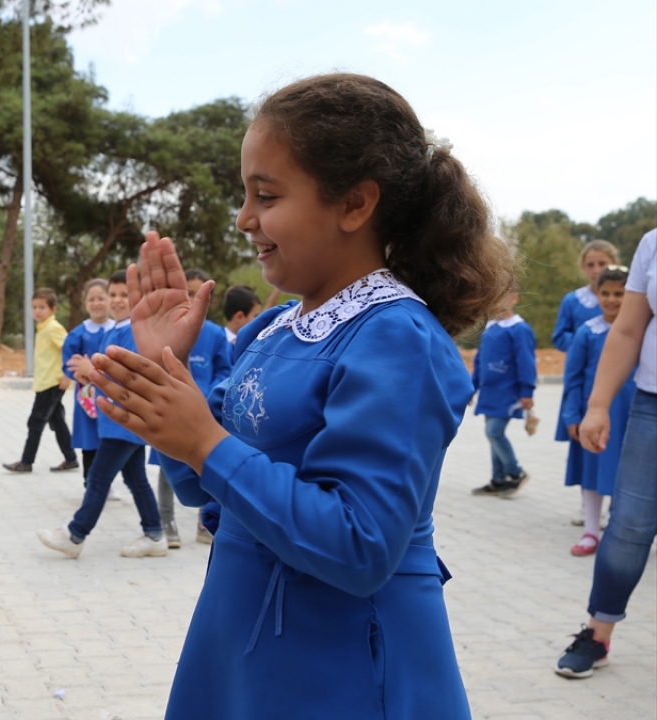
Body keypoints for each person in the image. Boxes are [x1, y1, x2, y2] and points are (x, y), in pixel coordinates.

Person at [87, 73, 513, 718]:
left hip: (339, 662)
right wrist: (167, 377)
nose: (244, 218)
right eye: (245, 194)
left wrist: (205, 441)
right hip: (245, 637)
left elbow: (360, 545)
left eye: (267, 195)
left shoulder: (397, 337)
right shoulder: (276, 324)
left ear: (353, 204)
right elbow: (208, 487)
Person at [555, 228, 656, 679]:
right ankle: (598, 634)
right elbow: (629, 328)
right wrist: (597, 405)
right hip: (652, 404)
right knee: (630, 523)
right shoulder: (653, 245)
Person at [37, 270, 167, 559]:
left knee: (98, 480)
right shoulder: (114, 330)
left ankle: (75, 534)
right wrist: (88, 370)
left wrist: (91, 372)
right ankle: (155, 534)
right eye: (114, 294)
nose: (118, 301)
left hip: (125, 419)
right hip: (117, 421)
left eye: (126, 295)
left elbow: (128, 376)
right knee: (136, 480)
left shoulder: (135, 331)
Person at [152, 269, 231, 548]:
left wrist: (209, 394)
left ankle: (204, 522)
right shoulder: (164, 331)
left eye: (198, 293)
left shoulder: (215, 333)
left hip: (204, 414)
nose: (191, 299)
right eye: (186, 292)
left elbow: (225, 368)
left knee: (207, 464)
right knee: (167, 469)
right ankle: (167, 523)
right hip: (171, 410)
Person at [559, 266, 634, 557]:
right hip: (596, 415)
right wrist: (572, 416)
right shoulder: (587, 332)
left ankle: (622, 533)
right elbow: (573, 378)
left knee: (626, 474)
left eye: (620, 293)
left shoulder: (641, 332)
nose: (612, 299)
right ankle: (591, 531)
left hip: (630, 415)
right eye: (606, 293)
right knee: (593, 471)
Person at [469, 291, 537, 497]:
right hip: (490, 393)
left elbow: (526, 361)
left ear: (513, 298)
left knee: (494, 432)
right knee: (493, 434)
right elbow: (480, 362)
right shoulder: (490, 328)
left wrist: (527, 391)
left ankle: (515, 473)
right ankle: (498, 480)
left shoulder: (519, 329)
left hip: (508, 393)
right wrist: (472, 387)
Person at [3, 287, 78, 473]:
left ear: (53, 309)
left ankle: (26, 462)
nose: (37, 311)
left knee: (35, 422)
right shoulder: (43, 328)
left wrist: (67, 375)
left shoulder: (53, 328)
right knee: (57, 421)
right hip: (45, 382)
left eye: (42, 307)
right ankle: (71, 458)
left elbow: (70, 348)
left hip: (52, 384)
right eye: (34, 307)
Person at [62, 279, 114, 484]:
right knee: (89, 439)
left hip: (112, 393)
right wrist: (78, 373)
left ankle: (106, 482)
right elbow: (68, 362)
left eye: (101, 298)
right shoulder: (78, 334)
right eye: (91, 299)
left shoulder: (117, 330)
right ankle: (89, 481)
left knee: (110, 439)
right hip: (86, 397)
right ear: (85, 303)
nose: (97, 303)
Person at [552, 240, 620, 352]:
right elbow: (560, 337)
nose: (596, 270)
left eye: (602, 263)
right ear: (583, 267)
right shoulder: (572, 301)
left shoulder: (629, 299)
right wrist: (584, 343)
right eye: (590, 265)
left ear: (615, 263)